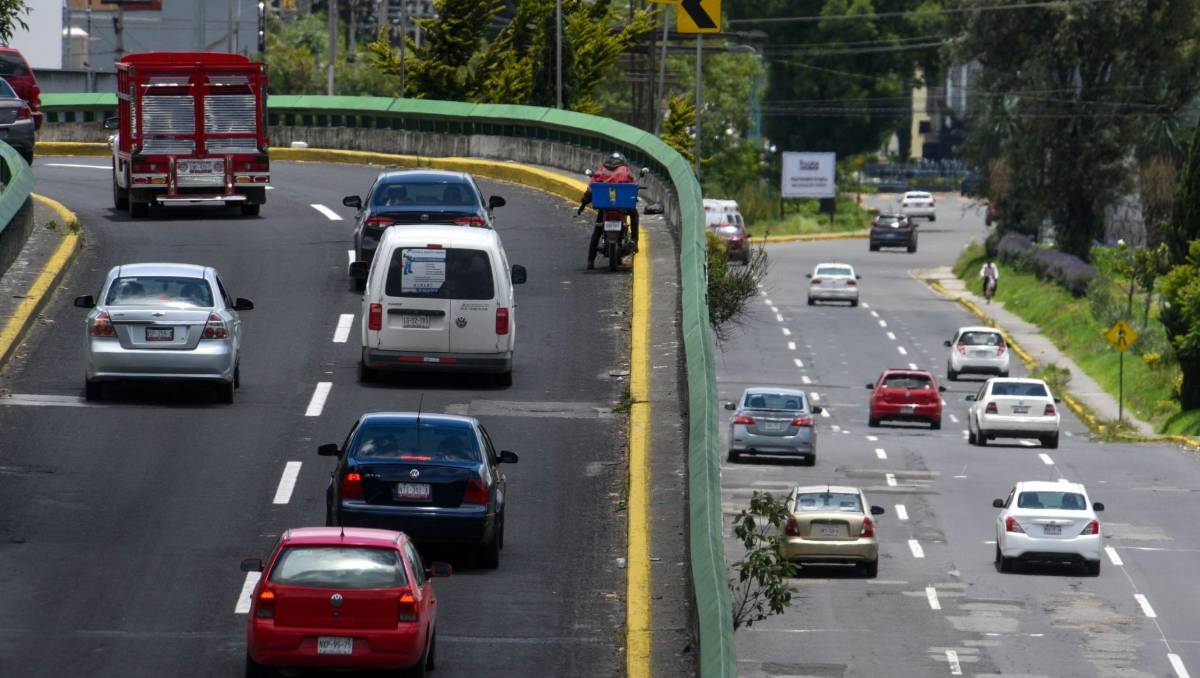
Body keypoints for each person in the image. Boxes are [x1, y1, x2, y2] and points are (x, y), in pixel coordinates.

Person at [578, 152, 639, 269]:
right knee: (634, 214)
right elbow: (633, 186)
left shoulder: (601, 171)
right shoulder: (625, 171)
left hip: (605, 206)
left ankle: (590, 262)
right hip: (621, 206)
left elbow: (591, 188)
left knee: (597, 232)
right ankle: (634, 241)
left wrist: (584, 203)